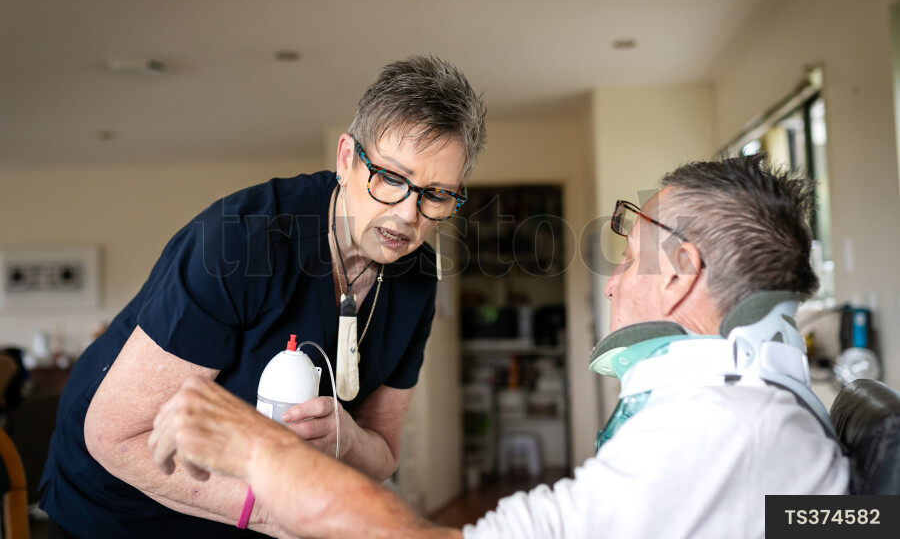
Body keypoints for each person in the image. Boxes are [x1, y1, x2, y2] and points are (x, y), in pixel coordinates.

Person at [148, 155, 849, 539]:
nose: (609, 290)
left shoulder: (724, 426)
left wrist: (256, 450)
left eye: (629, 257)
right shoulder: (746, 410)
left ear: (681, 273)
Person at [39, 55, 487, 538]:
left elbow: (383, 452)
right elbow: (113, 437)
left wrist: (347, 440)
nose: (408, 215)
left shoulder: (417, 278)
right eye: (392, 178)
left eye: (436, 194)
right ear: (345, 159)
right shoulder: (240, 242)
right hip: (119, 509)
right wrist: (280, 512)